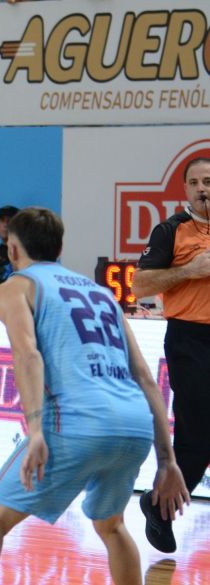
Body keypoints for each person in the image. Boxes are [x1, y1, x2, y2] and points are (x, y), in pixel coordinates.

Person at [0, 207, 189, 585]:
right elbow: (146, 376)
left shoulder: (15, 287)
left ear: (12, 249)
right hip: (134, 425)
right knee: (111, 525)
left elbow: (27, 354)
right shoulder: (102, 294)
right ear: (60, 247)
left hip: (77, 421)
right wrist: (168, 460)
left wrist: (35, 431)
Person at [132, 156, 210, 554]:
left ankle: (158, 504)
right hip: (191, 339)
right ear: (186, 190)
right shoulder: (171, 230)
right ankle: (160, 507)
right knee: (197, 436)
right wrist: (188, 270)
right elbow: (139, 285)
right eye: (194, 183)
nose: (202, 189)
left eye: (208, 181)